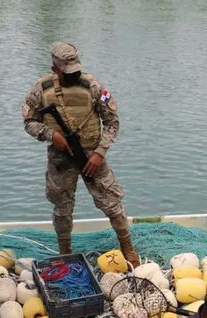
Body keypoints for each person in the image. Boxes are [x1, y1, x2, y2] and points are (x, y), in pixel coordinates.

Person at [22, 41, 139, 266]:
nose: (73, 76)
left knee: (112, 204)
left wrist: (100, 153)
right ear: (55, 68)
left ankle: (127, 248)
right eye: (67, 72)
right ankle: (65, 252)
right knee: (62, 209)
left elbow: (112, 122)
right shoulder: (41, 89)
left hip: (92, 157)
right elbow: (29, 121)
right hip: (61, 159)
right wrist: (50, 134)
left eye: (75, 69)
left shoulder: (94, 87)